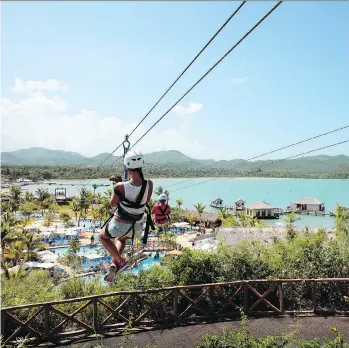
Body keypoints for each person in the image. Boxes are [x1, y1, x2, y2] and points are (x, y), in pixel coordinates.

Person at [99, 149, 153, 282]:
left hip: (120, 225)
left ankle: (120, 262)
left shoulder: (119, 186)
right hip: (137, 229)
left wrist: (120, 188)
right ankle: (114, 263)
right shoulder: (149, 184)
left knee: (102, 237)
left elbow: (112, 204)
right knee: (121, 239)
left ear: (126, 166)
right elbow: (145, 200)